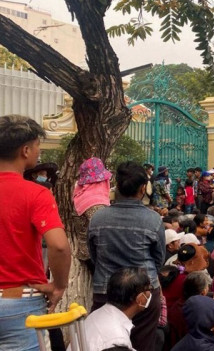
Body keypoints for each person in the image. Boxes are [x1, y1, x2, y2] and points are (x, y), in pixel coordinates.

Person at [0, 115, 72, 349]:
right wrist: (58, 285)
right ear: (26, 150)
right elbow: (59, 245)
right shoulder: (36, 193)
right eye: (38, 146)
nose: (39, 151)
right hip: (19, 305)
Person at [89, 161, 165, 351]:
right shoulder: (153, 219)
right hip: (144, 293)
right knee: (143, 343)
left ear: (117, 187)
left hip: (105, 290)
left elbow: (94, 256)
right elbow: (158, 260)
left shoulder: (98, 218)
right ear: (142, 189)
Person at [84, 268, 151, 351]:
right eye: (149, 289)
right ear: (140, 299)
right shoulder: (118, 339)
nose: (150, 294)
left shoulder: (97, 314)